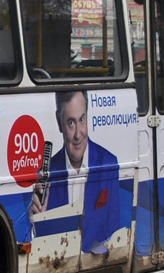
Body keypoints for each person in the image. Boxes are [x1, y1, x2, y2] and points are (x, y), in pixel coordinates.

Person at [30, 89, 122, 254]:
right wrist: (38, 223)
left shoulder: (108, 164)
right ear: (59, 122)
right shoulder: (46, 174)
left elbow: (113, 228)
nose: (78, 134)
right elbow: (42, 245)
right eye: (71, 123)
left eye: (82, 120)